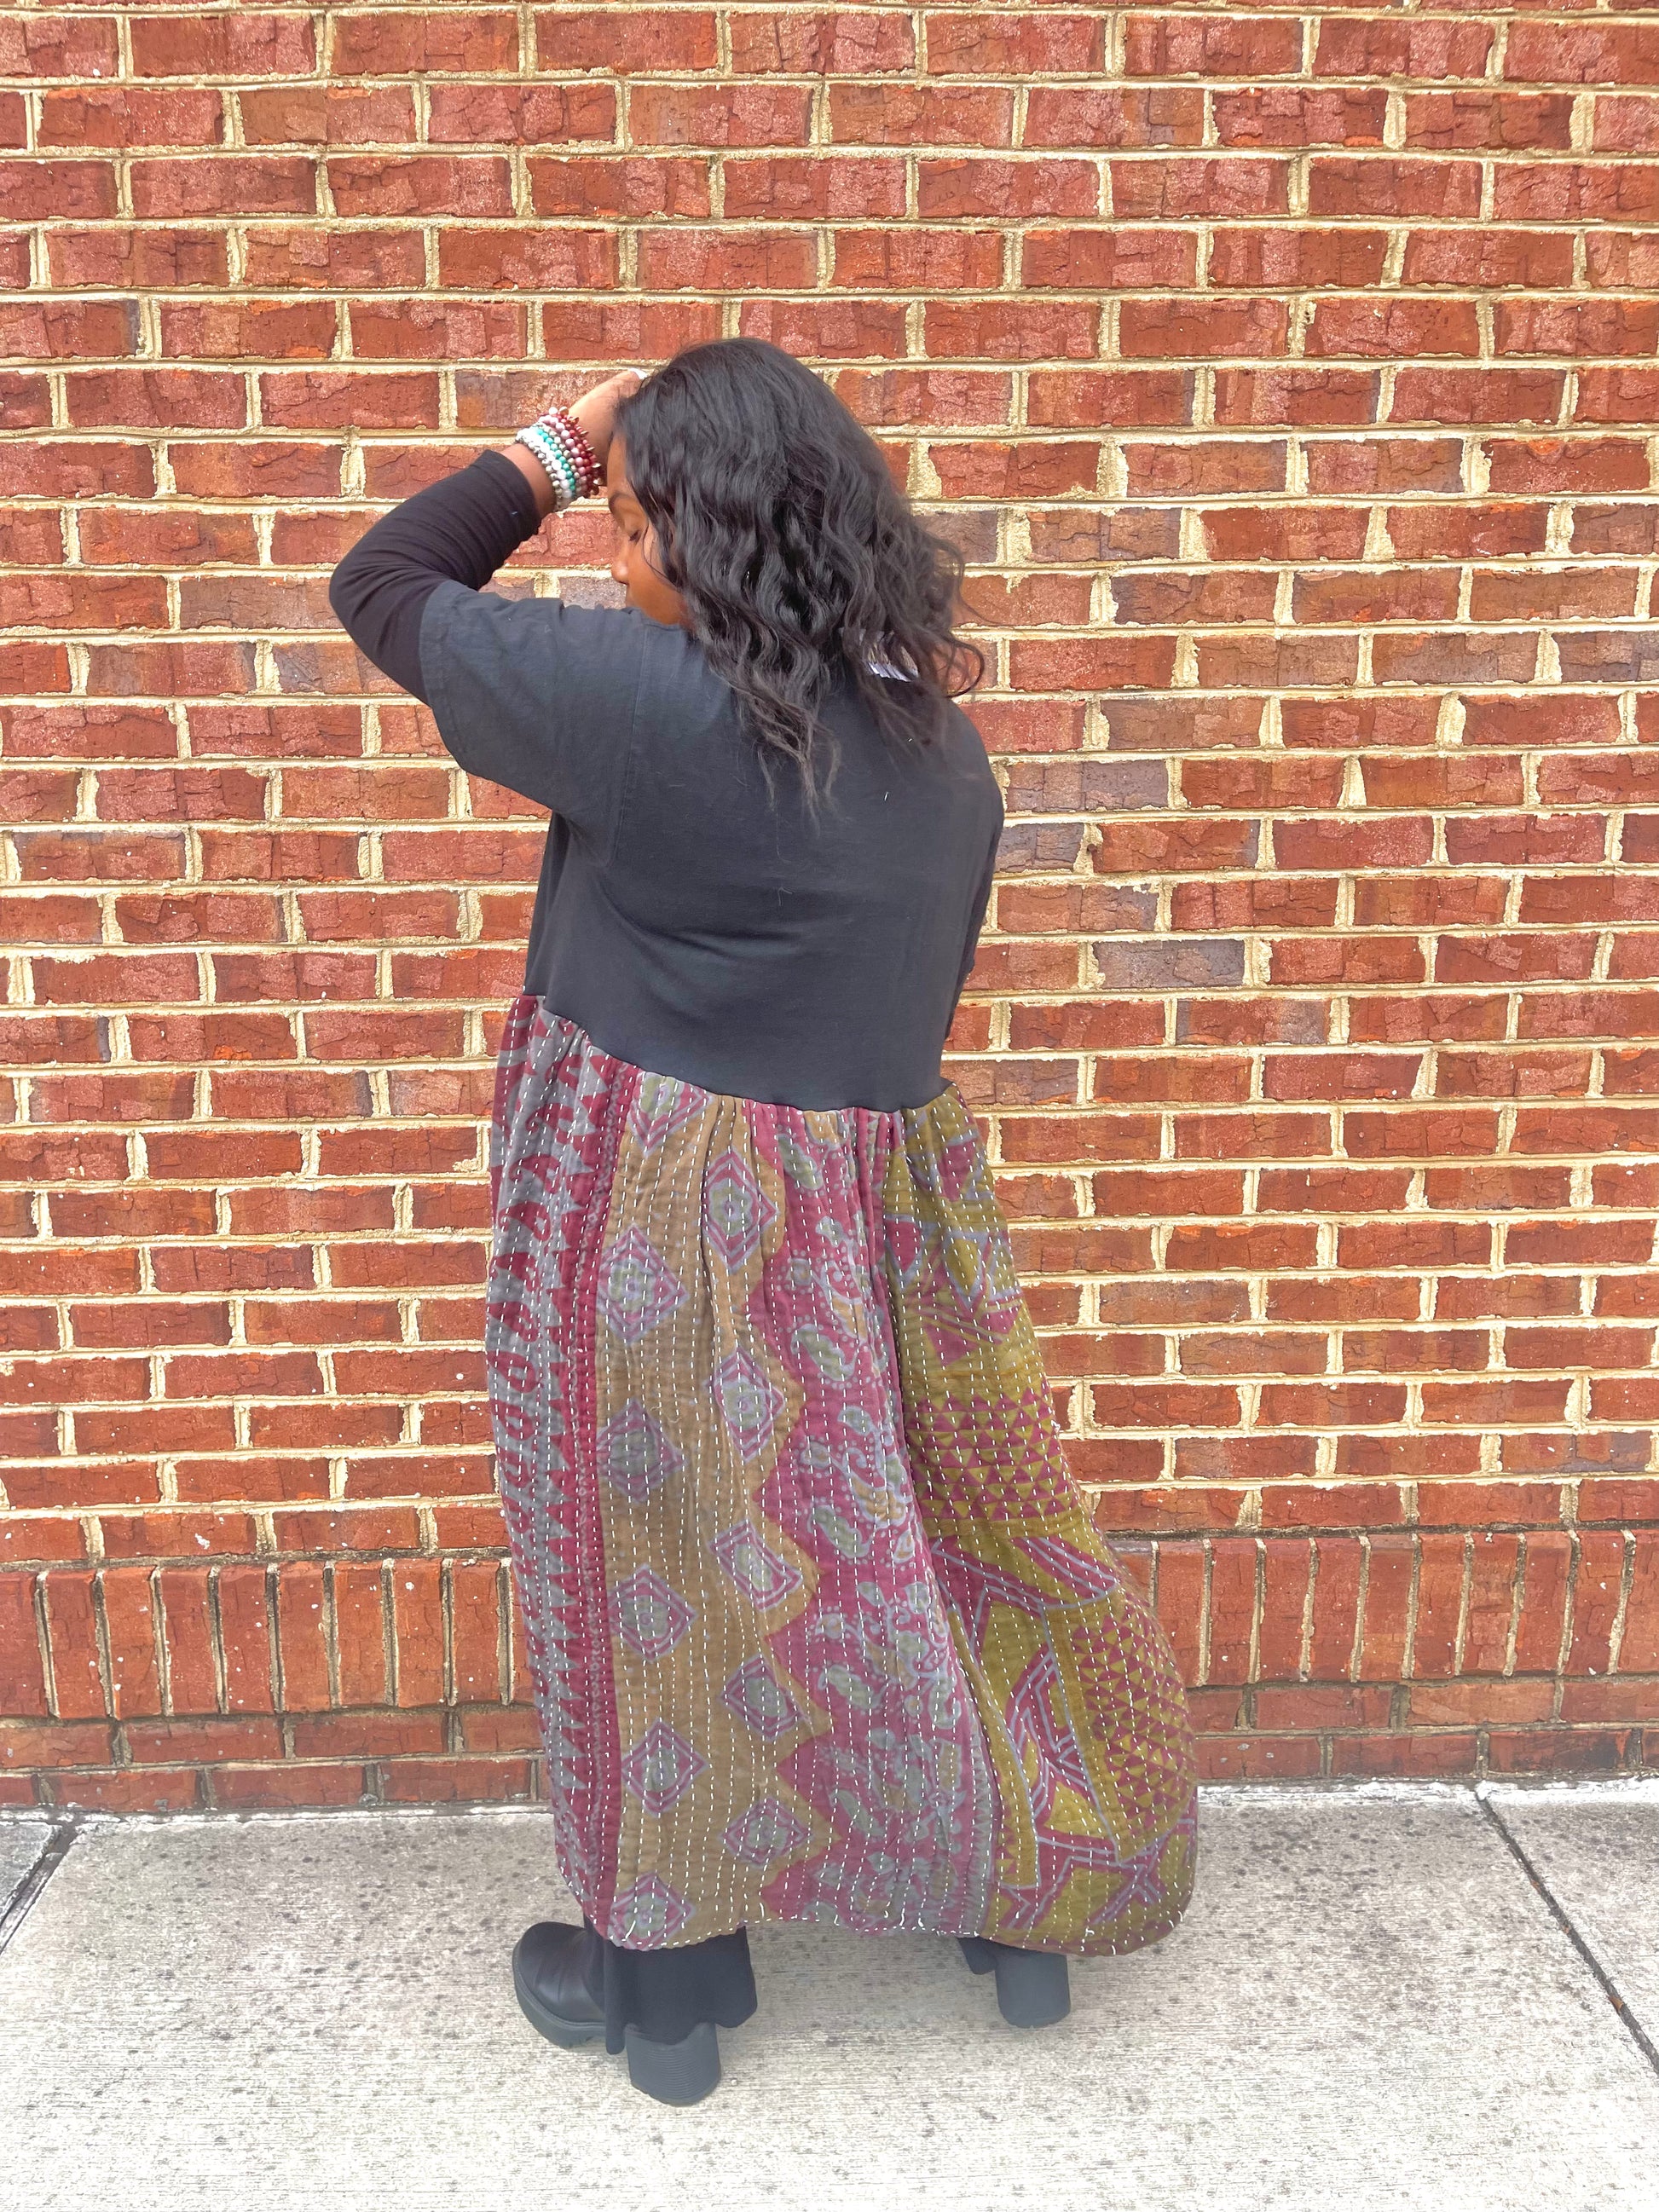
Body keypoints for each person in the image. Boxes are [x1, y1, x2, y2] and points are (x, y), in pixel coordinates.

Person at [327, 337, 1198, 2108]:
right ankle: (1016, 1900)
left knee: (635, 1574)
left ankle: (660, 1984)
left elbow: (386, 582)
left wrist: (561, 446)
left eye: (639, 526)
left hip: (648, 1213)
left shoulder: (649, 702)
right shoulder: (941, 750)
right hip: (890, 1225)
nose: (616, 559)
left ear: (716, 536)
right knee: (928, 1549)